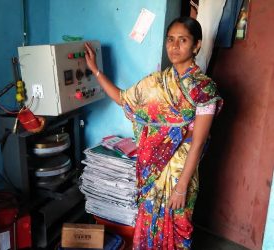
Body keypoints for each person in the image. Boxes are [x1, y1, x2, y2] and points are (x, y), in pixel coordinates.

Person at [84, 16, 223, 250]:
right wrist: (96, 71)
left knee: (178, 226)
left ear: (196, 45)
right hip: (152, 171)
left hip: (181, 173)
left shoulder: (204, 89)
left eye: (183, 40)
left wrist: (181, 187)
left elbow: (198, 142)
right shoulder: (156, 82)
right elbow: (122, 98)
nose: (175, 46)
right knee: (149, 224)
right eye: (170, 39)